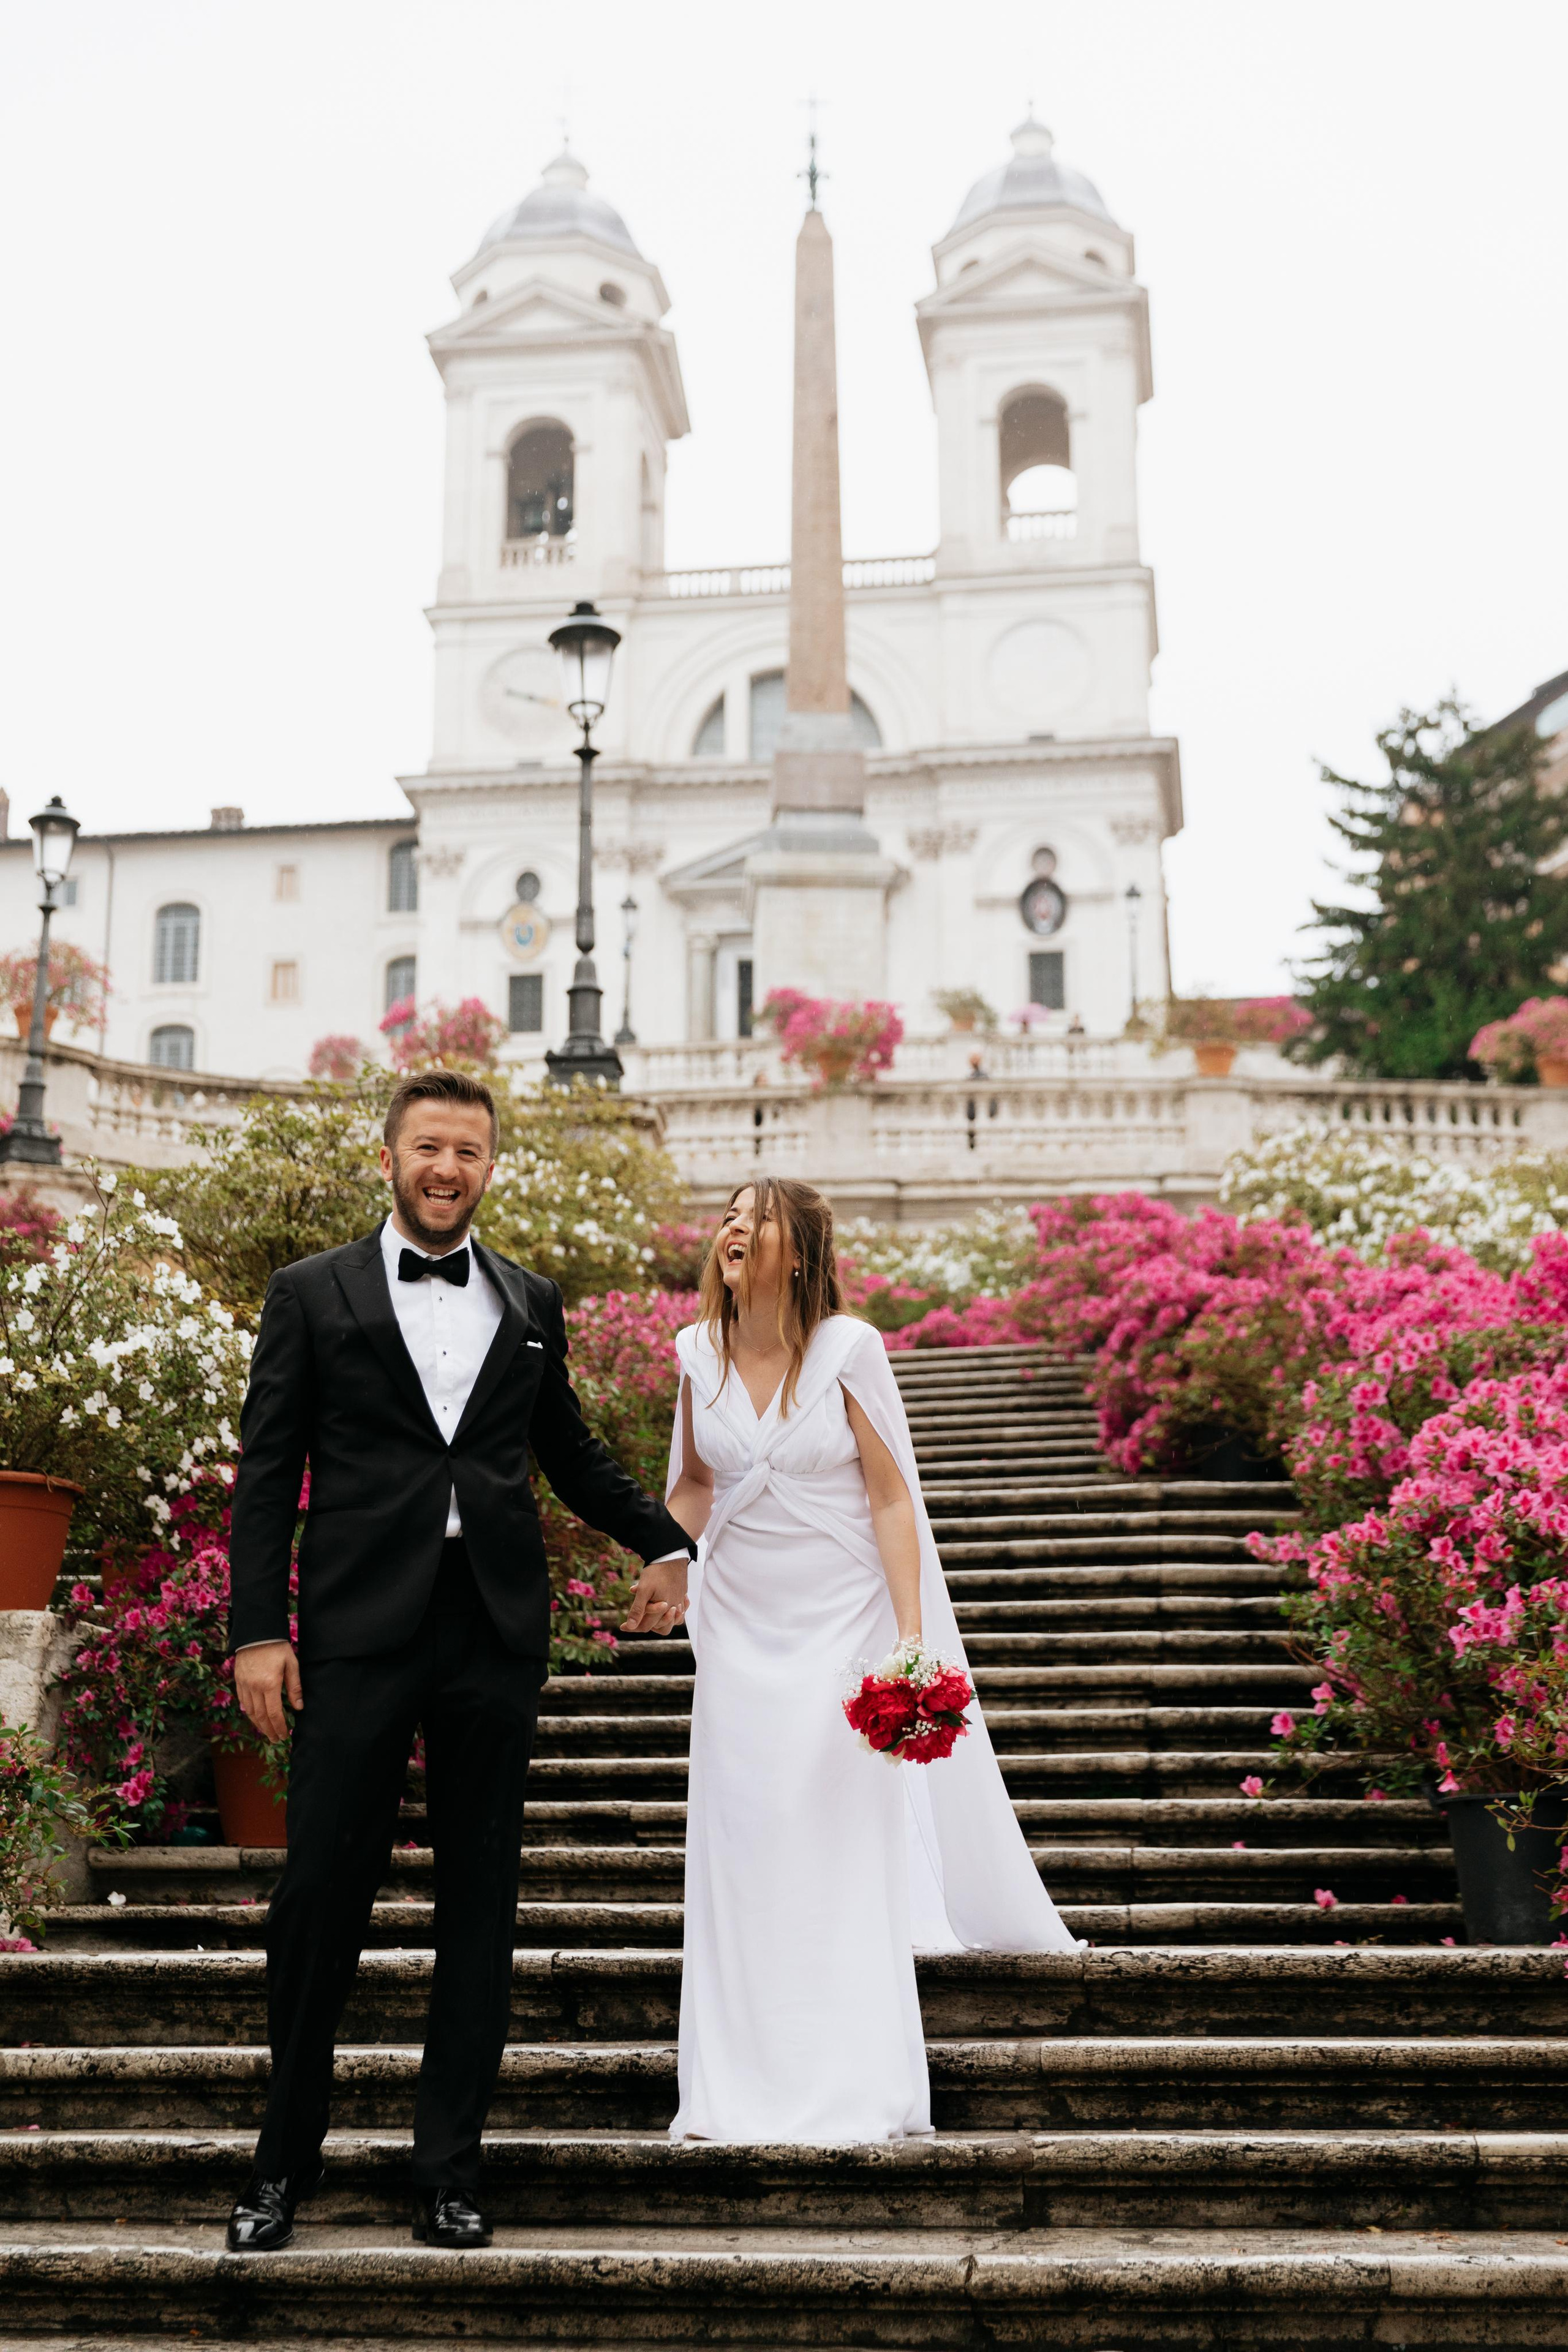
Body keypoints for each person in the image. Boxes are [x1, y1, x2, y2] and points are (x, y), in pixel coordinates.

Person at [223, 1068, 695, 2252]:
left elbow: (570, 1452)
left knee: (479, 1903)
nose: (447, 1170)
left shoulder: (529, 1298)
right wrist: (256, 1630)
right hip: (354, 1631)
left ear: (491, 1167)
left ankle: (448, 2169)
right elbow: (269, 1477)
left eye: (469, 1153)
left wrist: (669, 1542)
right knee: (319, 1894)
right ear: (390, 1159)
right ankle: (283, 2161)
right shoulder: (309, 1293)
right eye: (428, 1148)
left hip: (490, 1629)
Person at [622, 1176, 1077, 2145]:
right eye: (730, 1217)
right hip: (740, 1631)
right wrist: (667, 1561)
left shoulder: (850, 1350)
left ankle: (851, 2079)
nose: (735, 1229)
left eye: (760, 1218)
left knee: (830, 1841)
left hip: (839, 1626)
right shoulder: (695, 1353)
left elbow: (887, 1497)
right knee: (743, 1849)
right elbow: (697, 1482)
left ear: (801, 1250)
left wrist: (910, 1642)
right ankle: (737, 2084)